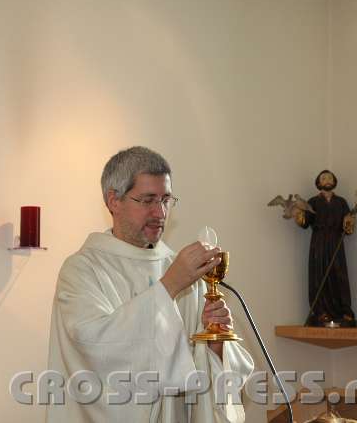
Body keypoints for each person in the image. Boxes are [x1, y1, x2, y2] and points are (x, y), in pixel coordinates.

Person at [46, 147, 254, 423]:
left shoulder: (179, 268)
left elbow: (205, 375)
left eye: (166, 199)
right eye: (147, 200)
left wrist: (215, 343)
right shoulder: (83, 270)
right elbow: (96, 351)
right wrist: (169, 285)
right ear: (113, 201)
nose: (160, 212)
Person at [293, 170, 357, 327]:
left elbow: (347, 228)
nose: (327, 180)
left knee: (339, 274)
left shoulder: (341, 202)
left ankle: (344, 311)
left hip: (335, 242)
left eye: (329, 177)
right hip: (319, 243)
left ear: (334, 181)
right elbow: (304, 222)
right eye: (323, 178)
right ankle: (321, 312)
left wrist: (349, 221)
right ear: (318, 183)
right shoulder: (313, 202)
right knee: (319, 275)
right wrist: (298, 212)